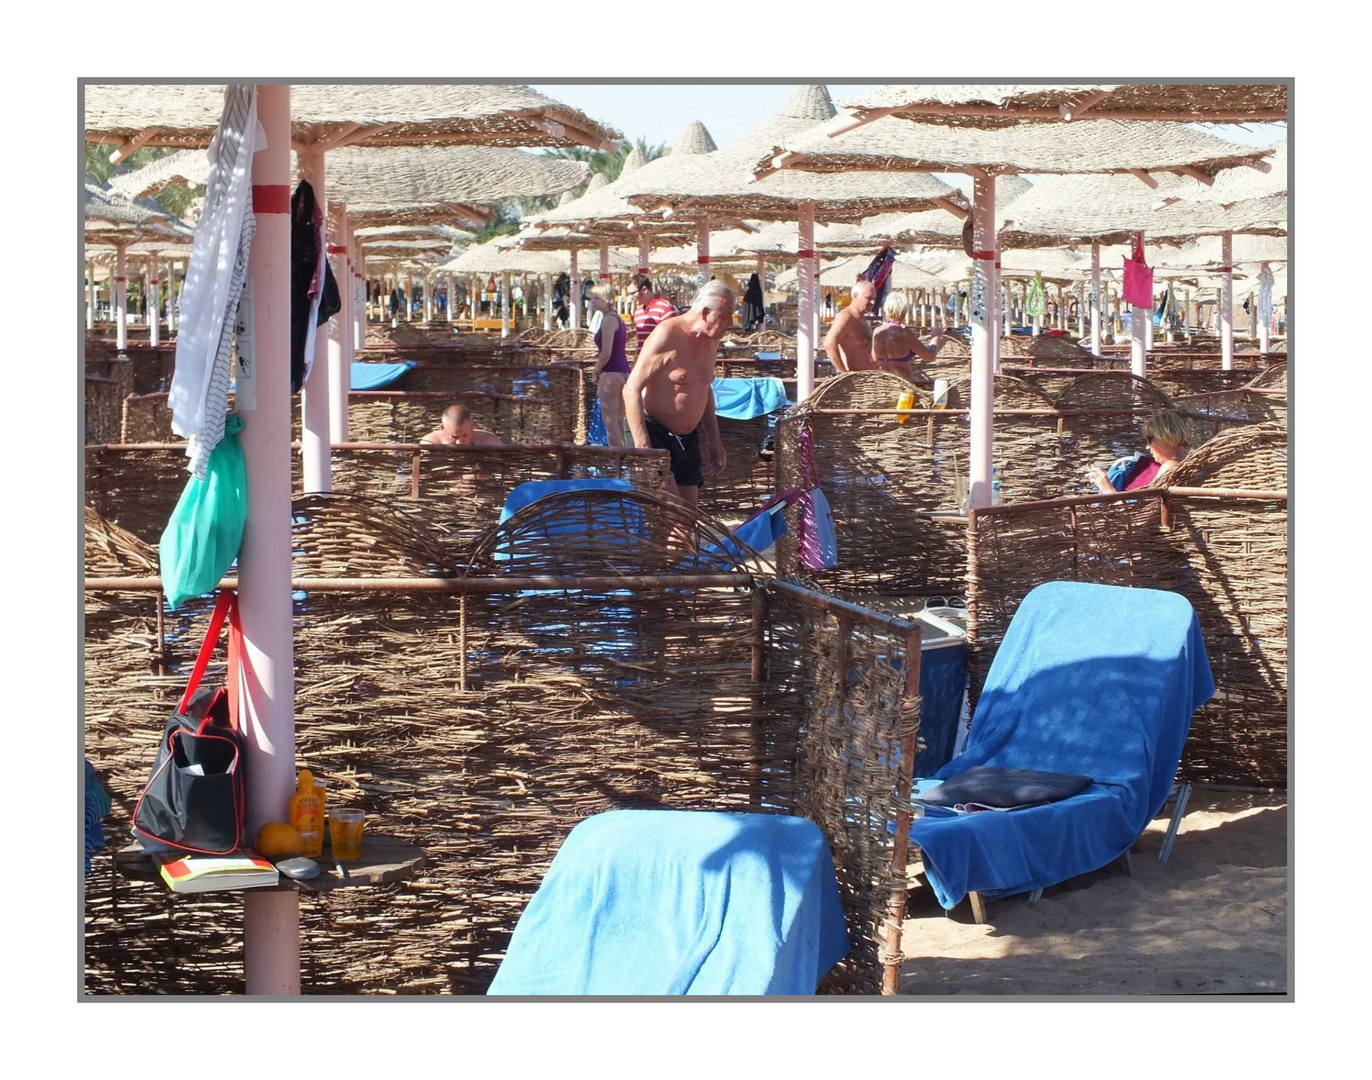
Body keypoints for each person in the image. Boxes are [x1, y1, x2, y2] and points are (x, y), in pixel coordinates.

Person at [623, 279, 735, 510]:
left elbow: (704, 388)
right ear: (705, 313)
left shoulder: (711, 342)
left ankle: (679, 547)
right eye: (726, 316)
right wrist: (644, 447)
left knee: (689, 519)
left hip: (687, 438)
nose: (731, 323)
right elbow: (631, 389)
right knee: (674, 517)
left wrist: (714, 439)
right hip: (655, 432)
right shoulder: (667, 334)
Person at [1090, 408, 1191, 493]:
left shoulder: (1171, 466)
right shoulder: (1190, 460)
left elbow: (1144, 511)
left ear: (1163, 437)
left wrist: (1108, 489)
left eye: (1149, 439)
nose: (1147, 447)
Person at [871, 292, 950, 385]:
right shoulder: (905, 334)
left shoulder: (877, 332)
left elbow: (875, 359)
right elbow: (930, 356)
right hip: (903, 385)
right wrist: (935, 338)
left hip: (884, 385)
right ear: (904, 311)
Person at [589, 283, 630, 448]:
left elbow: (606, 353)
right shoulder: (616, 318)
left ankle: (617, 460)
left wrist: (596, 370)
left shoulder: (608, 320)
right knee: (620, 420)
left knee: (610, 421)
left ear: (606, 300)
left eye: (597, 298)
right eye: (592, 297)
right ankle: (626, 459)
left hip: (611, 371)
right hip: (623, 370)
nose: (592, 301)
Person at [822, 279, 878, 372]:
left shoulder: (860, 317)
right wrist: (843, 374)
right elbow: (829, 343)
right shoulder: (846, 316)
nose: (873, 302)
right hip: (856, 380)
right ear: (855, 296)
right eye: (868, 298)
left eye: (874, 298)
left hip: (868, 379)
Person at [629, 273, 678, 351]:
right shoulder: (638, 312)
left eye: (633, 293)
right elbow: (640, 343)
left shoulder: (665, 308)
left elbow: (674, 339)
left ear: (644, 290)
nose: (631, 297)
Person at [421, 403, 503, 446]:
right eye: (454, 437)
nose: (459, 443)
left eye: (465, 435)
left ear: (472, 425)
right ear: (443, 428)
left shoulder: (490, 442)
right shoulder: (429, 443)